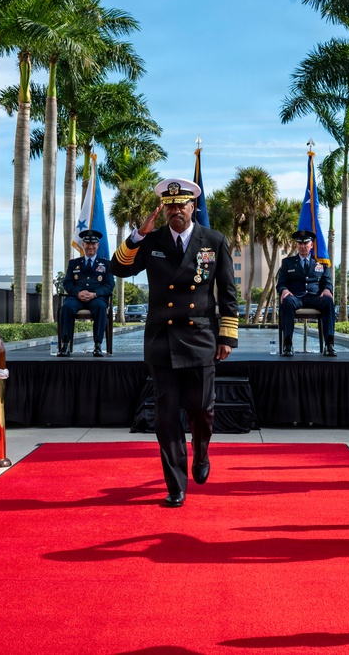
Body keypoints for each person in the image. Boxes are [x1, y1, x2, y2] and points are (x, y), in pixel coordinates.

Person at [110, 178, 238, 508]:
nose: (175, 210)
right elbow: (118, 268)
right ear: (163, 210)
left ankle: (202, 450)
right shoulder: (151, 242)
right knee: (166, 419)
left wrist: (227, 336)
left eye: (181, 205)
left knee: (201, 410)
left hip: (200, 339)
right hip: (162, 341)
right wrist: (138, 234)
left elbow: (227, 293)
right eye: (170, 206)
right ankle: (176, 485)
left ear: (193, 207)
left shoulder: (213, 240)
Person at [276, 229, 336, 356]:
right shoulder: (288, 262)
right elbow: (281, 283)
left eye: (306, 243)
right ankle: (288, 344)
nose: (303, 246)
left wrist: (327, 289)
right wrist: (284, 290)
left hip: (315, 298)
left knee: (328, 302)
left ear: (311, 245)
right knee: (287, 301)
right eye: (300, 244)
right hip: (295, 297)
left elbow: (327, 281)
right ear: (296, 245)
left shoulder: (320, 262)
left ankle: (329, 344)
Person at [56, 229, 115, 357]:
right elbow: (67, 283)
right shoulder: (74, 263)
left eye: (93, 244)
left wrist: (95, 294)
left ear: (97, 245)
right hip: (76, 298)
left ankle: (98, 345)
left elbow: (109, 285)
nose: (90, 247)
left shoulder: (106, 264)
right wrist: (78, 293)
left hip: (96, 298)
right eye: (87, 244)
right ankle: (65, 344)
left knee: (101, 307)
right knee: (66, 307)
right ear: (83, 245)